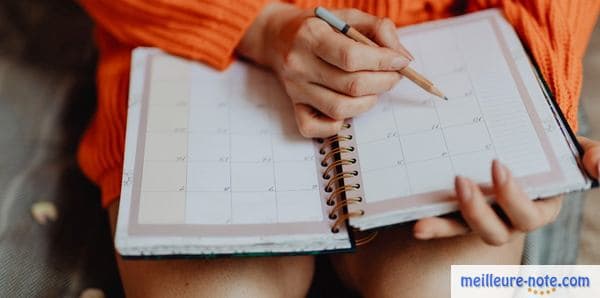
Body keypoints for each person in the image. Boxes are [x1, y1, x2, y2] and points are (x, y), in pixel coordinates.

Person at [77, 0, 600, 296]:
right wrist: (261, 27)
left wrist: (535, 99)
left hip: (440, 37)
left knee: (447, 290)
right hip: (196, 42)